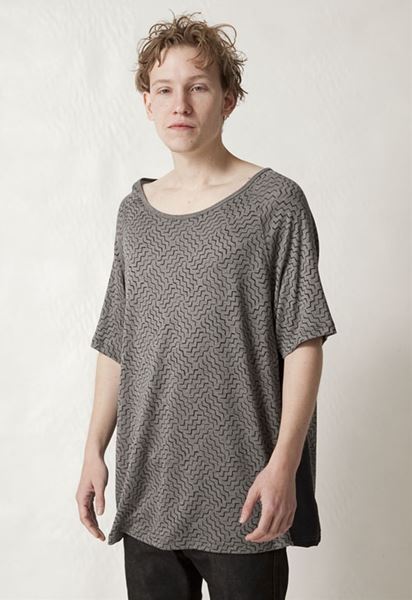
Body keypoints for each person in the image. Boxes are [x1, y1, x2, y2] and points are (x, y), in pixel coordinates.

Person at [75, 11, 337, 600]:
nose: (181, 105)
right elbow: (116, 341)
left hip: (246, 491)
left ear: (228, 99)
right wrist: (93, 449)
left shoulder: (275, 204)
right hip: (148, 492)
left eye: (198, 87)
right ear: (147, 103)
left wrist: (284, 464)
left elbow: (304, 340)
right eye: (165, 90)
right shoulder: (134, 215)